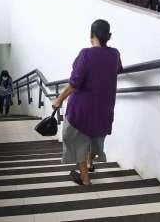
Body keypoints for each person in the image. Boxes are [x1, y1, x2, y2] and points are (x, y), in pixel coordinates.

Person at [52, 19, 123, 186]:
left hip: (82, 108)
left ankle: (85, 178)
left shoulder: (86, 54)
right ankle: (91, 164)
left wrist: (59, 99)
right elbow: (117, 69)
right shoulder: (115, 54)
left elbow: (74, 83)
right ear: (109, 36)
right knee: (94, 137)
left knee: (76, 139)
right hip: (104, 107)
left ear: (91, 35)